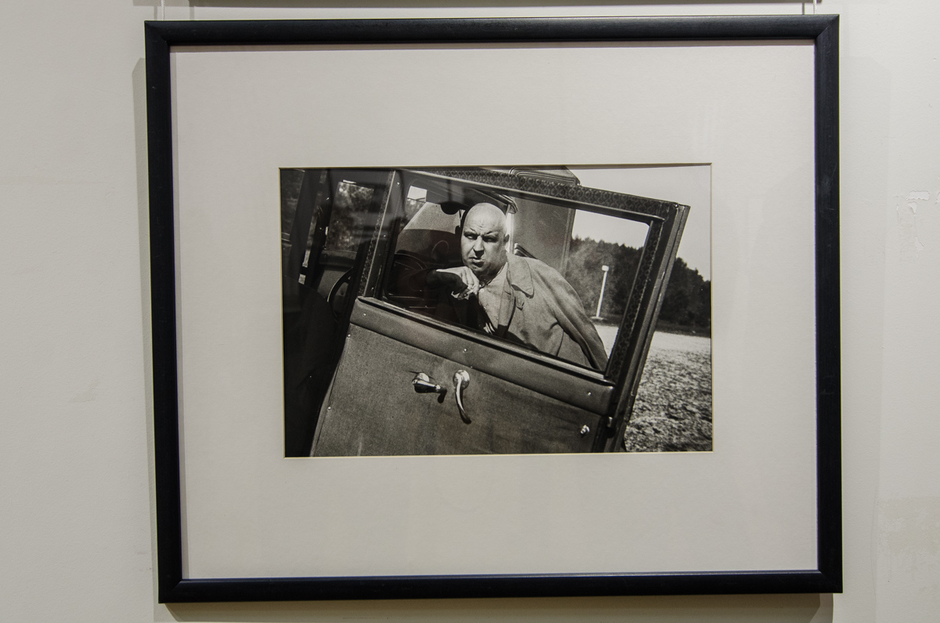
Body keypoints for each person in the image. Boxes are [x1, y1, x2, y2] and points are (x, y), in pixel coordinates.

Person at [428, 202, 609, 370]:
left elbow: (588, 338)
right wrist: (435, 276)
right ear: (459, 235)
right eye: (470, 236)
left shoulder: (540, 275)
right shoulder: (453, 282)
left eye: (489, 239)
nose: (478, 248)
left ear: (505, 242)